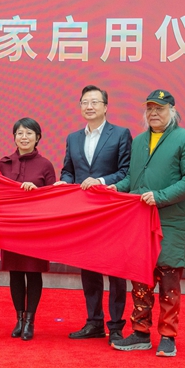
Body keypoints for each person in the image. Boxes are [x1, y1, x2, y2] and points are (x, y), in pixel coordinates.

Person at [110, 89, 185, 357]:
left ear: (172, 111)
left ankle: (168, 336)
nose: (153, 113)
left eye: (159, 109)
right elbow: (133, 179)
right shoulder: (139, 141)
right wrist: (115, 188)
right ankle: (140, 332)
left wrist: (160, 197)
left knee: (168, 278)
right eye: (149, 108)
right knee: (140, 278)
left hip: (170, 221)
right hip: (139, 220)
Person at [55, 85, 132, 344]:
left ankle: (116, 326)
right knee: (88, 267)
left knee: (116, 268)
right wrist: (65, 182)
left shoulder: (120, 134)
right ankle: (94, 322)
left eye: (95, 102)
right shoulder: (73, 138)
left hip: (112, 211)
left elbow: (126, 172)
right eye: (85, 102)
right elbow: (69, 170)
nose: (89, 106)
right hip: (84, 212)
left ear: (105, 107)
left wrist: (100, 181)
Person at [0, 118, 56, 341]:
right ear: (14, 137)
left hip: (36, 228)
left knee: (33, 273)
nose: (24, 137)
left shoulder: (45, 165)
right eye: (20, 133)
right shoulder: (3, 164)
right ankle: (19, 320)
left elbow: (53, 197)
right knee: (15, 272)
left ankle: (30, 321)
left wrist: (37, 192)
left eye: (29, 133)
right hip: (12, 227)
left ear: (37, 137)